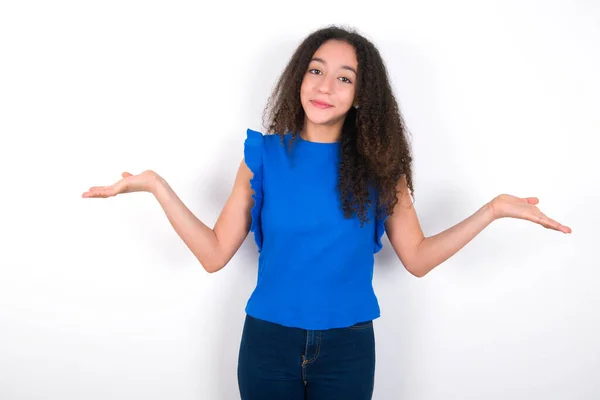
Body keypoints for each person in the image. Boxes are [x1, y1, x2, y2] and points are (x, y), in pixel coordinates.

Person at [82, 25, 571, 400]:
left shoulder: (383, 170)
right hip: (267, 344)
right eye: (316, 70)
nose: (325, 86)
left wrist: (491, 210)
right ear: (300, 76)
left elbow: (417, 259)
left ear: (361, 97)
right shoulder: (264, 157)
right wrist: (156, 186)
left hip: (348, 350)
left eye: (344, 78)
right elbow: (213, 254)